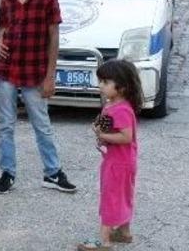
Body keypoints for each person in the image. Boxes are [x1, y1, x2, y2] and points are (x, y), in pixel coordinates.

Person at [0, 0, 77, 194]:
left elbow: (54, 40)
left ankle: (52, 172)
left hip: (35, 72)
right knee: (6, 125)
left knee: (42, 124)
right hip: (6, 71)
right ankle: (7, 173)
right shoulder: (5, 1)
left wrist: (50, 76)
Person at [78, 59, 141, 251]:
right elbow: (107, 123)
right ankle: (123, 231)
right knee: (122, 195)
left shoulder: (121, 109)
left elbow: (126, 137)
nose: (101, 86)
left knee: (110, 198)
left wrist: (102, 135)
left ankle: (104, 242)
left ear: (121, 87)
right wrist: (100, 128)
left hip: (118, 163)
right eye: (101, 81)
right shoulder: (113, 104)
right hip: (121, 161)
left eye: (105, 82)